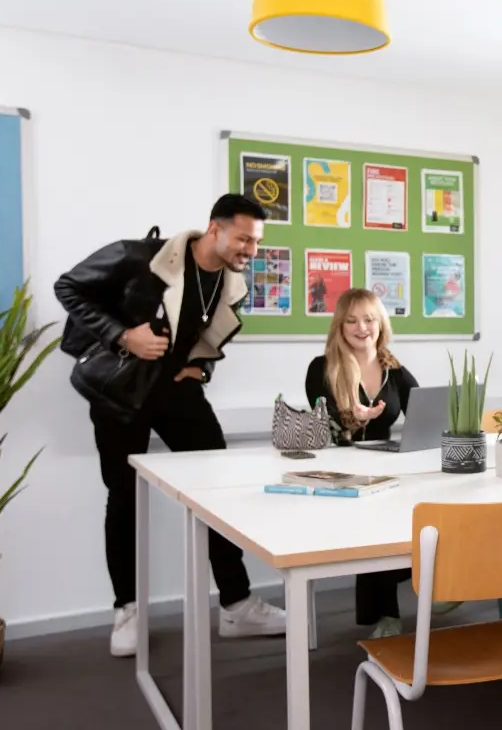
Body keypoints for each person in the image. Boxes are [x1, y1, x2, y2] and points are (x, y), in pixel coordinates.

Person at [54, 194, 287, 658]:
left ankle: (237, 605)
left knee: (219, 491)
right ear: (213, 229)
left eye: (256, 242)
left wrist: (202, 370)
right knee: (124, 496)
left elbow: (206, 333)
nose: (250, 250)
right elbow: (68, 287)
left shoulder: (229, 280)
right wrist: (122, 335)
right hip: (121, 390)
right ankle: (128, 610)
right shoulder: (139, 256)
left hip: (176, 391)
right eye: (243, 238)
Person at [303, 288, 458, 637]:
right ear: (340, 326)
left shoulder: (395, 370)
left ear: (380, 323)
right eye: (352, 321)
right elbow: (321, 417)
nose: (362, 328)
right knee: (377, 519)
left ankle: (431, 583)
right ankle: (393, 609)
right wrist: (351, 417)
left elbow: (423, 411)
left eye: (369, 319)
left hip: (386, 467)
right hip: (338, 470)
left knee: (429, 508)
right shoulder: (322, 368)